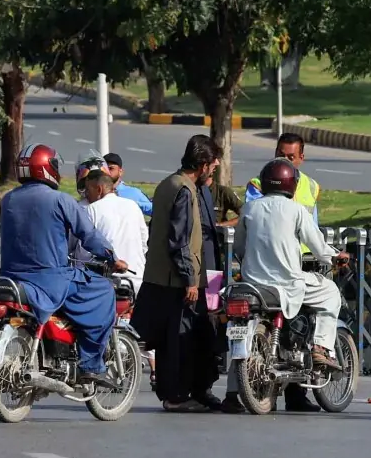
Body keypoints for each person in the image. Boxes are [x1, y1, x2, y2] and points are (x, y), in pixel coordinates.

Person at [0, 146, 124, 388]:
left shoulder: (8, 199)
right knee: (103, 290)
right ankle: (91, 365)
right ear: (47, 168)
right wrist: (111, 257)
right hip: (51, 280)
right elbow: (89, 235)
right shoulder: (60, 200)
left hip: (12, 279)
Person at [132, 135, 222, 412]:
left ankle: (189, 391)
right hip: (179, 279)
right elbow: (179, 240)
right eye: (213, 164)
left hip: (175, 276)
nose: (215, 168)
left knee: (183, 338)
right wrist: (190, 280)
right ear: (203, 164)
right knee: (178, 340)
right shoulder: (184, 190)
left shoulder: (171, 184)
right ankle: (176, 396)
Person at [237, 161, 345, 372]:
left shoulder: (249, 208)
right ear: (292, 184)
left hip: (253, 284)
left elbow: (239, 247)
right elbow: (319, 248)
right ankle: (320, 347)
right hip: (287, 284)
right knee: (330, 292)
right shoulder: (296, 210)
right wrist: (335, 256)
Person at [79, 160, 146, 286]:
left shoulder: (92, 210)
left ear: (99, 189)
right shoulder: (133, 206)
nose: (86, 195)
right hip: (137, 280)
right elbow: (144, 244)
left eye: (87, 190)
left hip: (106, 283)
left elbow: (83, 252)